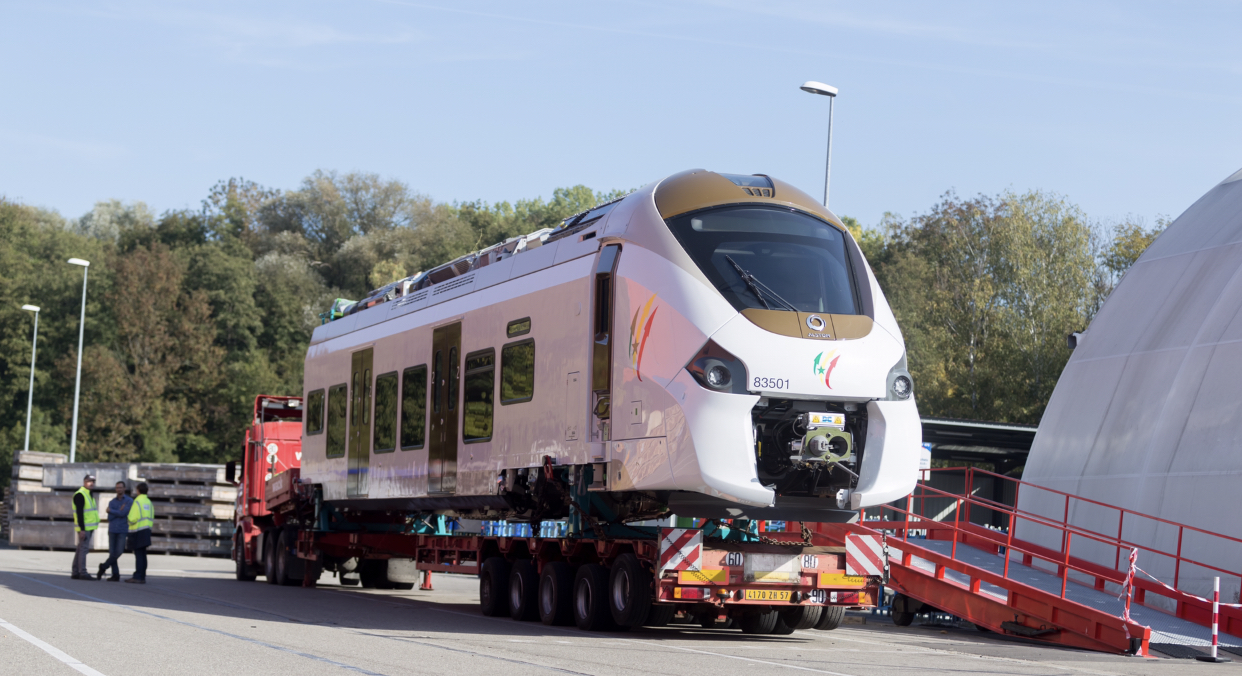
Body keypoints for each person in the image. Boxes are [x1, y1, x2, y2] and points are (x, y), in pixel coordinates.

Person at [96, 481, 133, 581]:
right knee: (112, 553)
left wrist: (112, 511)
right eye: (117, 488)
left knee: (119, 552)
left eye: (121, 488)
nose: (119, 489)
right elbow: (110, 517)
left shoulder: (129, 501)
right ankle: (115, 575)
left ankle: (103, 567)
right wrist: (118, 512)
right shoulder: (112, 502)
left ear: (124, 488)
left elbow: (123, 513)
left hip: (122, 529)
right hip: (112, 529)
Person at [71, 474, 99, 580]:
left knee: (80, 549)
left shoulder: (89, 494)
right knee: (83, 549)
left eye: (93, 481)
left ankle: (75, 571)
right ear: (84, 482)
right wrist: (82, 529)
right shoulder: (80, 494)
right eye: (89, 481)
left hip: (89, 527)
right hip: (84, 528)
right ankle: (82, 572)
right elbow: (80, 513)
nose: (91, 483)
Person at [125, 482, 154, 584]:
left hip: (138, 531)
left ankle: (137, 576)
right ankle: (142, 576)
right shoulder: (148, 502)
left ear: (138, 490)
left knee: (138, 555)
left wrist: (128, 521)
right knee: (143, 554)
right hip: (147, 530)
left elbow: (132, 518)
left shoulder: (137, 501)